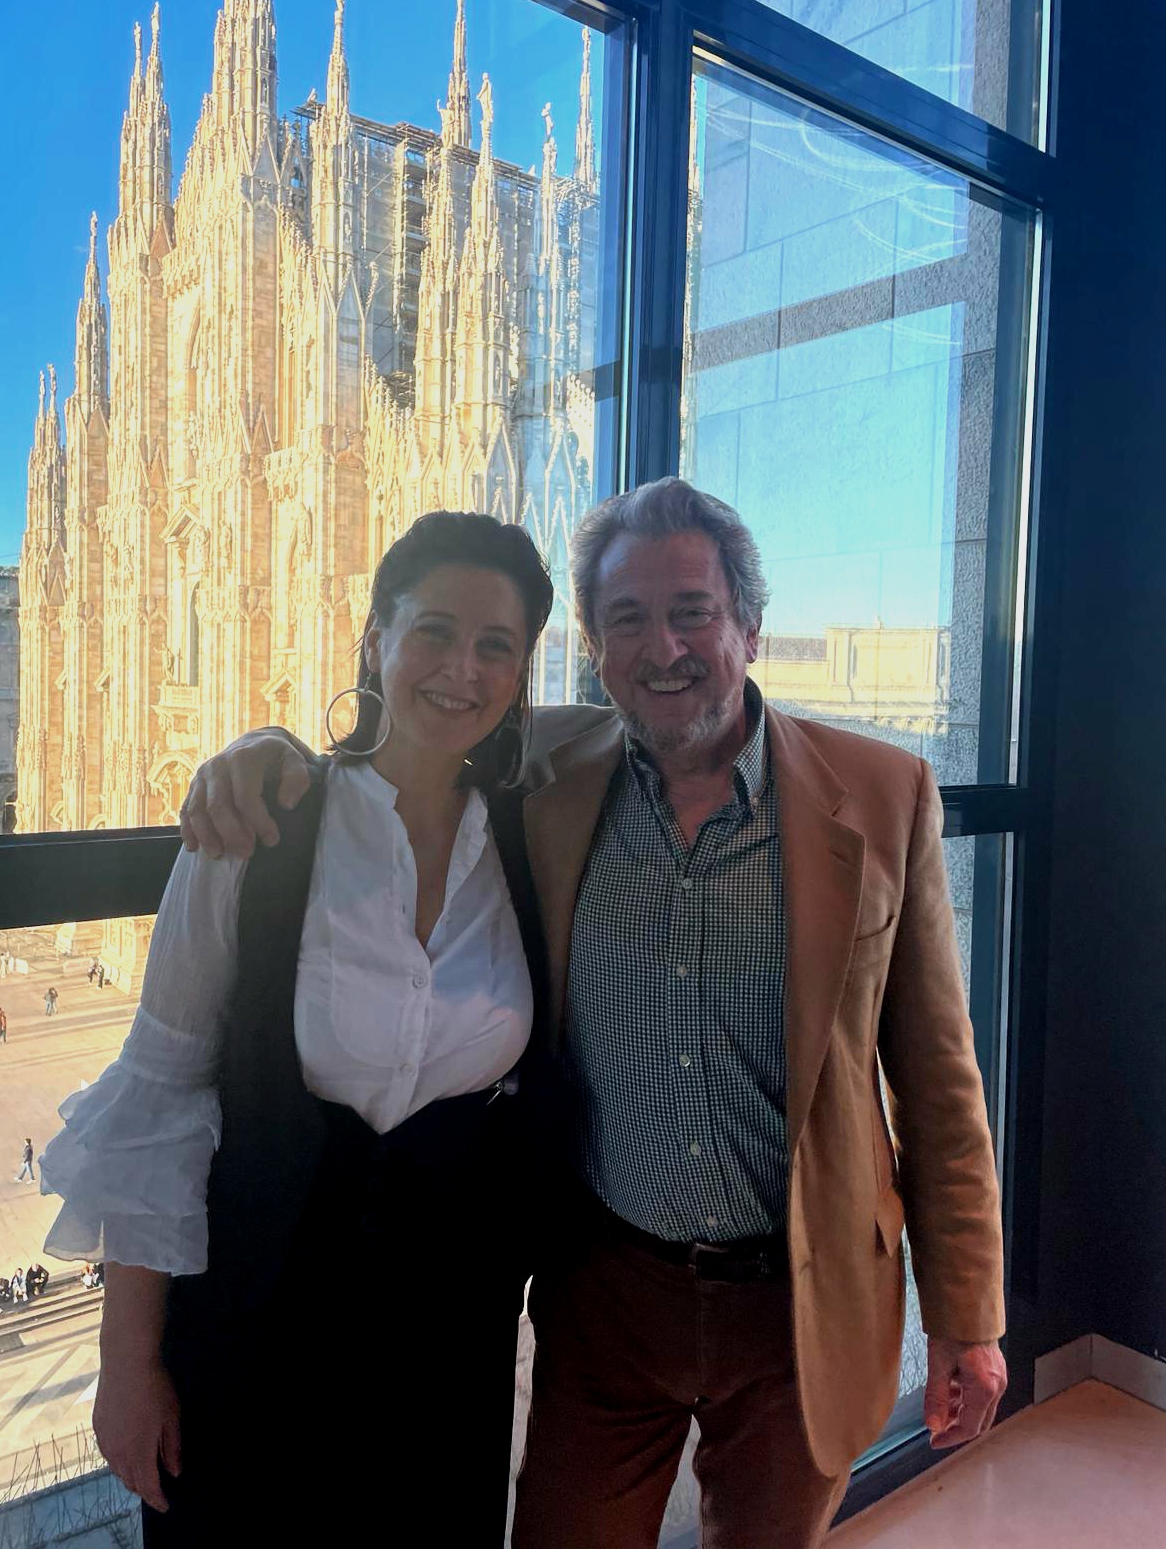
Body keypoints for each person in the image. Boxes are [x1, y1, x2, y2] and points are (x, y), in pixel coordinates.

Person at [182, 479, 1008, 1548]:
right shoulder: (550, 775)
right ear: (596, 648)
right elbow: (412, 740)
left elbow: (939, 1081)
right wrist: (265, 751)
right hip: (607, 1294)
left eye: (692, 613)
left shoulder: (884, 794)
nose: (663, 648)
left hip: (801, 1305)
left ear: (750, 626)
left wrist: (969, 1318)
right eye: (627, 619)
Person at [40, 512, 556, 1544]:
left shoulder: (533, 829)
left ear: (521, 672)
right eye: (434, 631)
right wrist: (127, 1362)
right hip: (254, 1324)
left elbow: (654, 718)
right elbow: (162, 1084)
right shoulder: (262, 827)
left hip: (449, 1345)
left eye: (496, 645)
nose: (463, 669)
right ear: (375, 637)